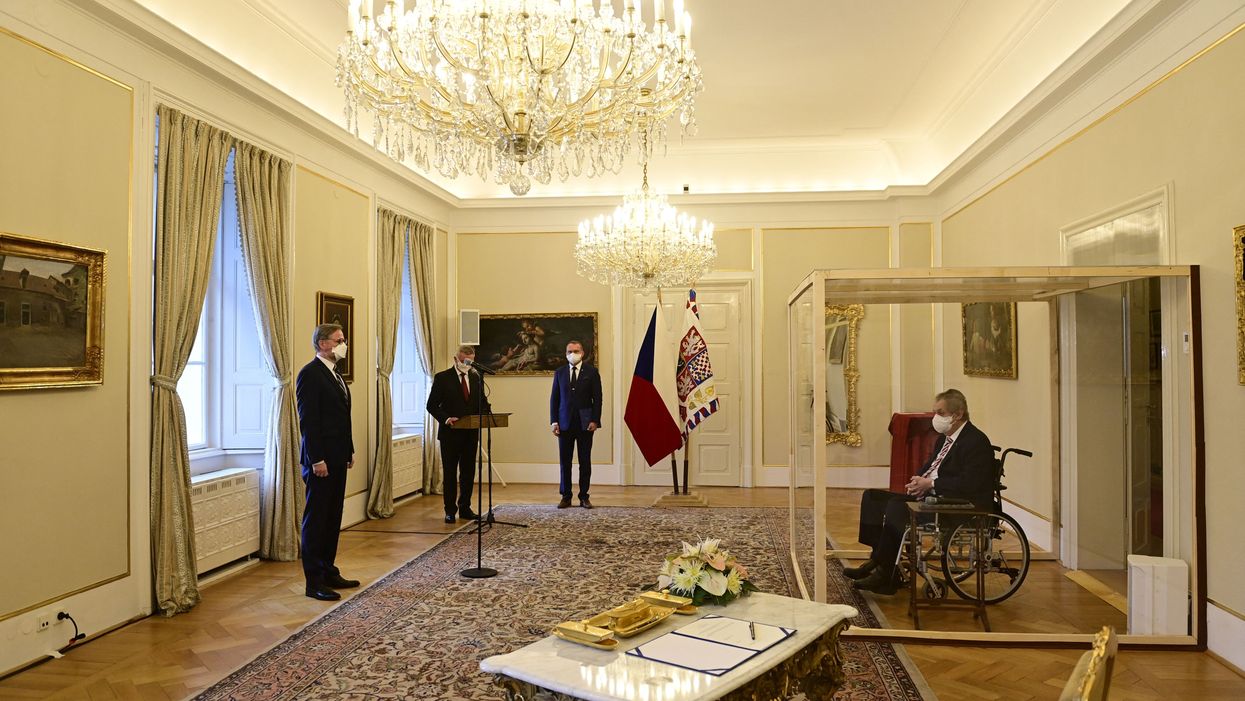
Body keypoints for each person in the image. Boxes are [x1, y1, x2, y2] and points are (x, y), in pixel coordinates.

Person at [846, 389, 995, 595]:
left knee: (896, 508)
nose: (936, 418)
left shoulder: (976, 442)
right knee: (872, 497)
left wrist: (932, 485)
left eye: (941, 413)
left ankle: (885, 574)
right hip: (930, 494)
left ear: (958, 414)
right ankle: (877, 560)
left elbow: (970, 483)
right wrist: (918, 480)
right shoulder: (944, 438)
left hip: (956, 503)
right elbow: (929, 466)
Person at [295, 323, 360, 601]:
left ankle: (329, 569)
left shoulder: (336, 374)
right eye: (339, 340)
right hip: (320, 461)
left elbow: (342, 418)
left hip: (337, 457)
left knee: (333, 516)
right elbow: (309, 421)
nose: (343, 344)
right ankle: (314, 580)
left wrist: (349, 449)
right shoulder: (310, 375)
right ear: (323, 343)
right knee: (317, 519)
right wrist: (316, 458)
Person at [427, 345, 492, 524]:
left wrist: (486, 412)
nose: (467, 364)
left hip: (471, 434)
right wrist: (446, 418)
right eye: (464, 360)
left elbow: (482, 402)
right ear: (456, 359)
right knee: (450, 473)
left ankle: (465, 507)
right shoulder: (442, 378)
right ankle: (450, 510)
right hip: (450, 433)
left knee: (468, 472)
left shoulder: (476, 377)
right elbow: (431, 405)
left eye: (470, 361)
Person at [550, 339, 603, 509]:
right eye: (569, 351)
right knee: (565, 462)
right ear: (566, 354)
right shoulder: (560, 372)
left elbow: (598, 399)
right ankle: (566, 496)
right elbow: (554, 399)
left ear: (582, 353)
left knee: (584, 461)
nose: (572, 354)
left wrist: (595, 420)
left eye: (576, 351)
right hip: (564, 423)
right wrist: (554, 421)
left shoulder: (592, 372)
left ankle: (584, 496)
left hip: (585, 423)